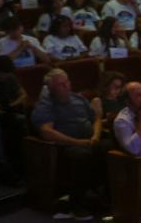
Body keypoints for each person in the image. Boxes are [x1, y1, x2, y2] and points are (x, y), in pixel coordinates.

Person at [32, 69, 110, 219]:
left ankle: (99, 196)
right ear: (51, 88)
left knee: (109, 146)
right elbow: (47, 132)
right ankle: (77, 204)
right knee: (81, 155)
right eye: (61, 84)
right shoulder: (46, 105)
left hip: (89, 140)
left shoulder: (78, 99)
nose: (66, 86)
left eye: (67, 82)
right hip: (65, 145)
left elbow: (96, 119)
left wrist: (95, 136)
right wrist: (78, 142)